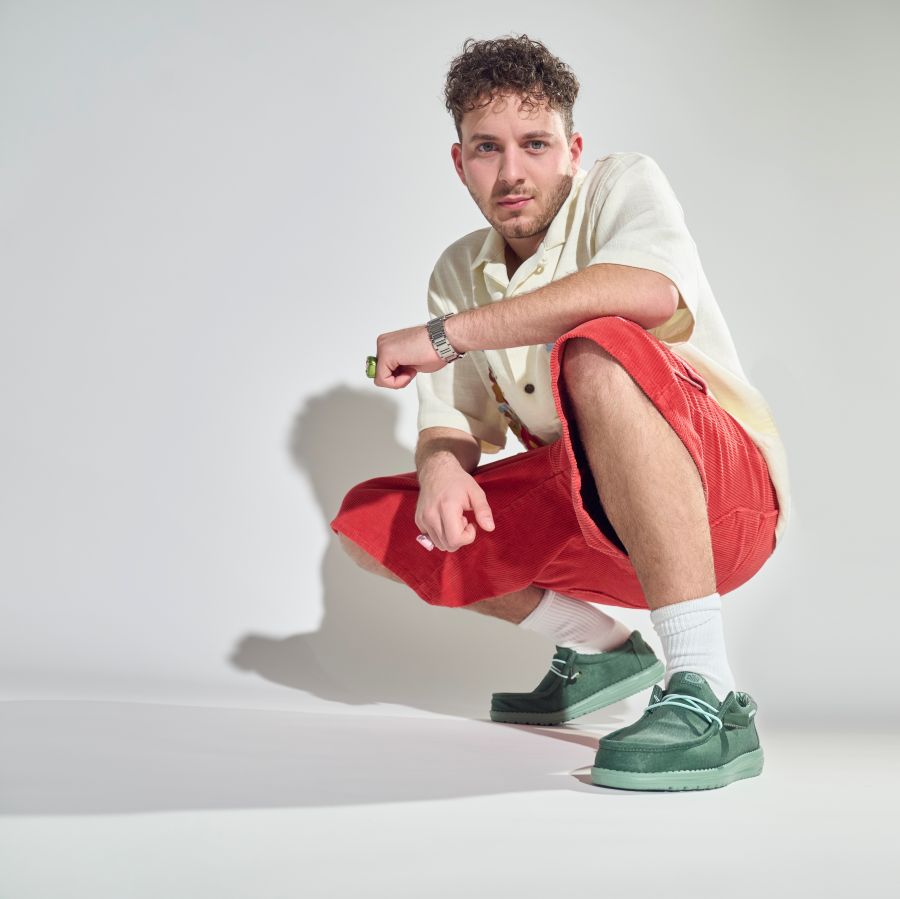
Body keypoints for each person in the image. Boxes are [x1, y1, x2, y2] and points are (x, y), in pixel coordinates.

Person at [330, 34, 789, 792]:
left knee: (598, 346)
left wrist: (447, 335)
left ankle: (708, 689)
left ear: (572, 151)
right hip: (598, 519)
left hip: (720, 504)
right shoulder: (458, 268)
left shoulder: (621, 185)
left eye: (534, 144)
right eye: (488, 148)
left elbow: (647, 293)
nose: (512, 171)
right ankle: (601, 648)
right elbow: (451, 421)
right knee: (372, 526)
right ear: (460, 163)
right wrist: (441, 469)